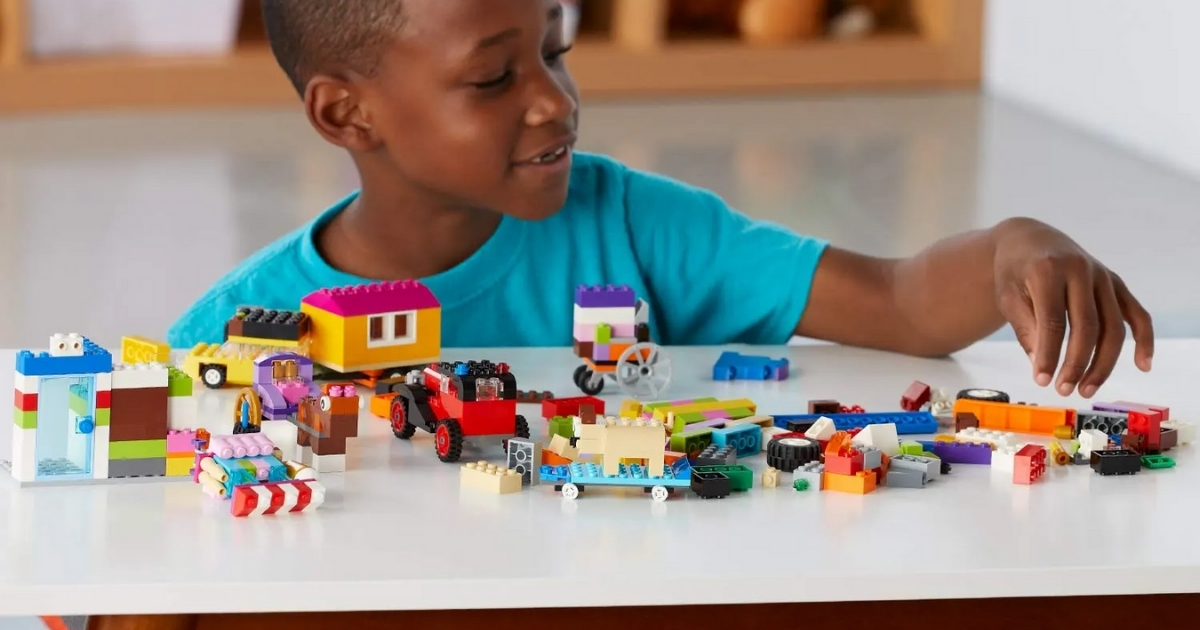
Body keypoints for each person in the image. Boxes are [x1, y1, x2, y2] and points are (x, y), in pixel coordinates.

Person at [167, 0, 1153, 400]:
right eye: (492, 80)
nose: (556, 103)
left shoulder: (638, 227)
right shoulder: (227, 340)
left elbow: (899, 302)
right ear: (347, 114)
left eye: (554, 52)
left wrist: (1012, 249)